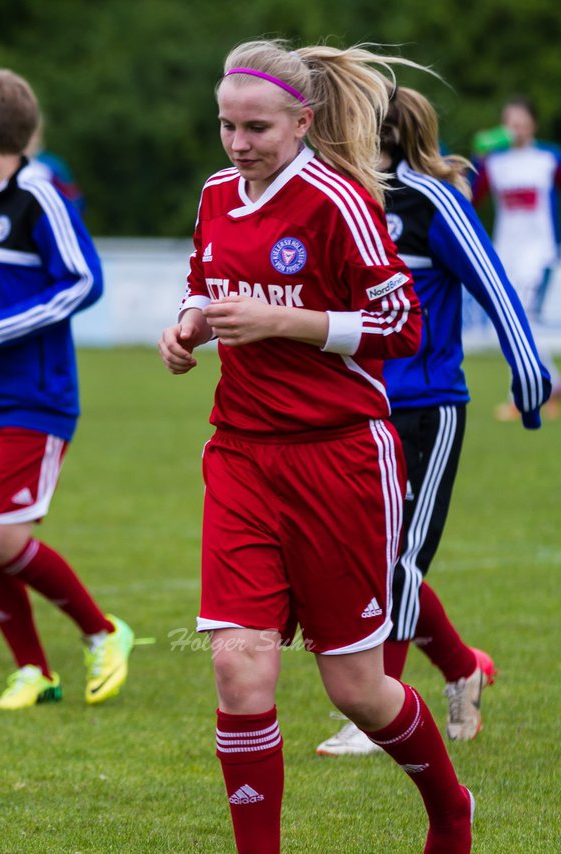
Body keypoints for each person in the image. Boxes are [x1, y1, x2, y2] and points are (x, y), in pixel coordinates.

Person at [159, 40, 474, 852]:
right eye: (226, 126)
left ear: (302, 122)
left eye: (256, 127)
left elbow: (404, 327)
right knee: (239, 668)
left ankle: (449, 810)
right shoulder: (214, 195)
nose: (238, 143)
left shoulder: (338, 203)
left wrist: (287, 323)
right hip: (240, 454)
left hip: (339, 460)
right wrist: (188, 323)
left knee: (359, 690)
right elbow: (205, 277)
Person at [315, 86, 552, 757]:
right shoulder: (344, 196)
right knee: (364, 560)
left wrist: (530, 380)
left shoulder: (433, 201)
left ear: (375, 129)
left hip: (425, 409)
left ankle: (377, 711)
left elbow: (497, 290)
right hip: (355, 411)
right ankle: (460, 667)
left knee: (398, 561)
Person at [0, 68, 134, 711]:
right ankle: (34, 671)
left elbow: (83, 281)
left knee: (3, 540)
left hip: (35, 398)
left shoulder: (40, 195)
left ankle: (104, 633)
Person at [472, 97, 561, 420]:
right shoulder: (494, 163)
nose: (516, 126)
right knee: (522, 323)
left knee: (520, 322)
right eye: (510, 120)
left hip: (540, 254)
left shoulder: (549, 158)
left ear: (533, 124)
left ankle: (521, 395)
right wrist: (478, 158)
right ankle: (550, 386)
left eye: (521, 120)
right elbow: (471, 195)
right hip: (506, 251)